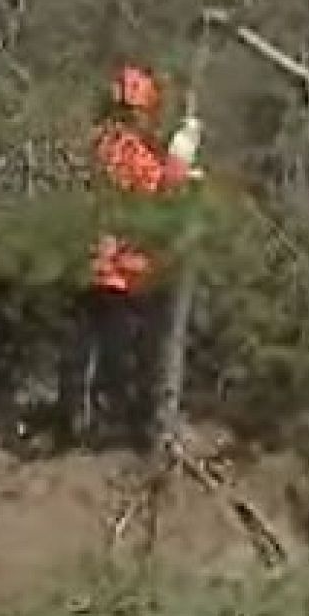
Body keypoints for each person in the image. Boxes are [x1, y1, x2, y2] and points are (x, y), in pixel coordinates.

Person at [61, 63, 202, 446]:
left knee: (86, 350)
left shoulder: (100, 143)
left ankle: (81, 420)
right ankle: (100, 426)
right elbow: (156, 186)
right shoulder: (122, 148)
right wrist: (182, 155)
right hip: (115, 270)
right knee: (114, 352)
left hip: (96, 262)